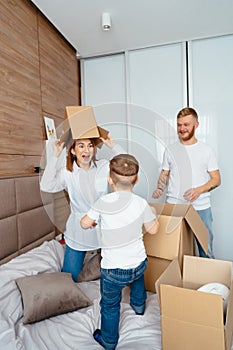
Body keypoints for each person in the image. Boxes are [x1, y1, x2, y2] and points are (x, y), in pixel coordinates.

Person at [81, 154, 159, 350]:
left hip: (113, 270)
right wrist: (154, 214)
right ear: (137, 179)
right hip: (139, 264)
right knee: (137, 280)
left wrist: (91, 221)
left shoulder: (102, 203)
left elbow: (84, 223)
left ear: (110, 179)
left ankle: (108, 339)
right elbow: (154, 230)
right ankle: (139, 307)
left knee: (109, 306)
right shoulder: (141, 203)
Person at [40, 134, 124, 282]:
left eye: (90, 145)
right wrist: (55, 155)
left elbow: (127, 165)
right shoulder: (67, 173)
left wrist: (113, 145)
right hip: (78, 229)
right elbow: (46, 185)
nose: (87, 150)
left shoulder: (104, 167)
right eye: (81, 146)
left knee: (118, 271)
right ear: (73, 150)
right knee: (69, 277)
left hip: (102, 226)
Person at [152, 107, 221, 258]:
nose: (182, 128)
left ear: (196, 125)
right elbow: (165, 174)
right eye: (179, 125)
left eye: (186, 124)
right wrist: (159, 188)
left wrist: (199, 190)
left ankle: (208, 281)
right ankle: (177, 281)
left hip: (200, 208)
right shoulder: (170, 150)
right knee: (173, 251)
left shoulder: (206, 150)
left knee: (206, 249)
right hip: (174, 207)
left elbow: (216, 179)